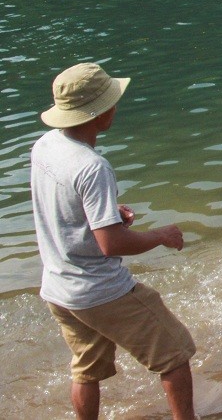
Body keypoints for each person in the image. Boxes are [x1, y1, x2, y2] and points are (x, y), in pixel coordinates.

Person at [30, 63, 196, 419]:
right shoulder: (93, 167)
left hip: (59, 288)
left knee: (86, 370)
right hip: (99, 291)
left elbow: (60, 203)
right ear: (97, 113)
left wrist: (105, 211)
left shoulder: (45, 144)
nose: (115, 107)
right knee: (176, 354)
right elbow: (111, 244)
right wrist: (160, 236)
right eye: (111, 102)